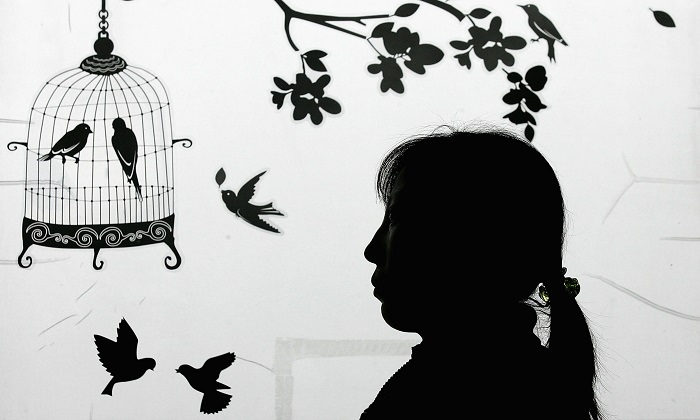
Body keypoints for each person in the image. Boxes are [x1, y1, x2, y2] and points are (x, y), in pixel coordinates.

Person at [361, 125, 605, 419]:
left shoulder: (436, 393)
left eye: (397, 217)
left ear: (475, 238)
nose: (371, 250)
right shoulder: (537, 386)